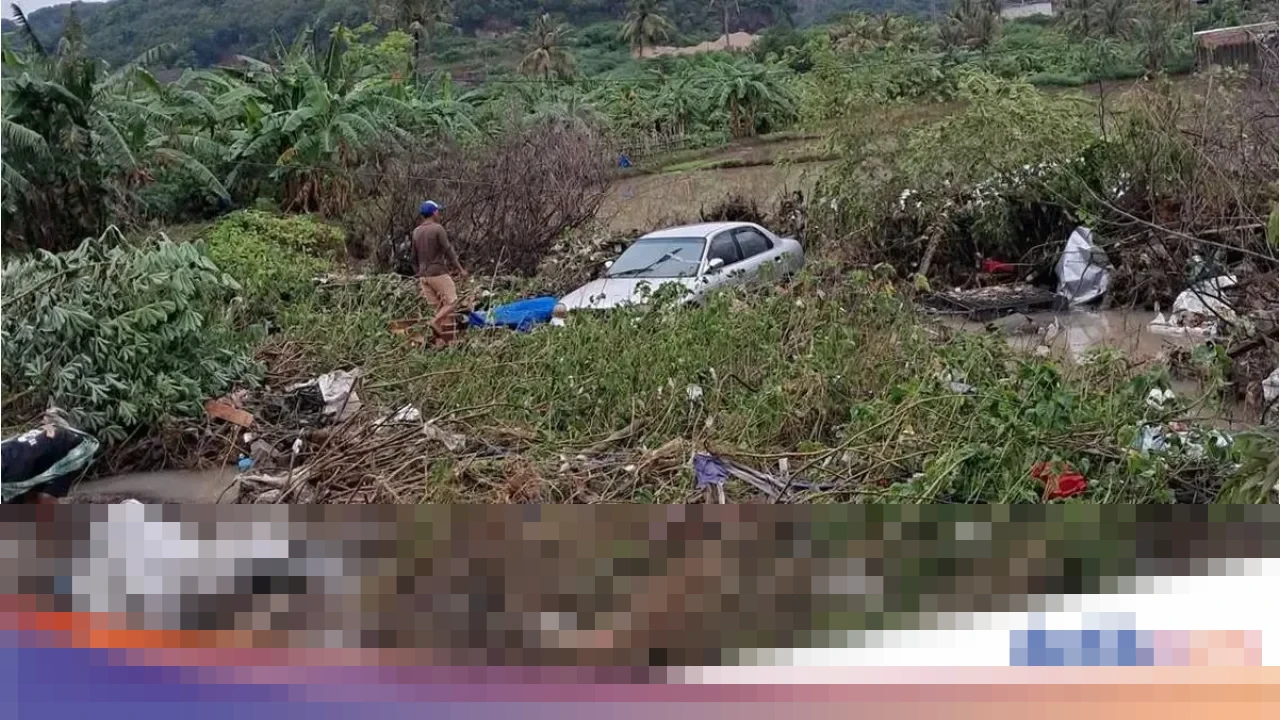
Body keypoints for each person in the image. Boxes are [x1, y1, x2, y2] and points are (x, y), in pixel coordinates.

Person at [411, 200, 468, 347]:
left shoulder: (416, 232)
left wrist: (418, 274)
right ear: (434, 212)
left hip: (423, 277)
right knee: (452, 302)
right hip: (438, 273)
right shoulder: (437, 229)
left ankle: (442, 343)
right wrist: (460, 269)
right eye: (438, 211)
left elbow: (413, 257)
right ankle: (434, 322)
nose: (439, 214)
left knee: (441, 309)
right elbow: (449, 250)